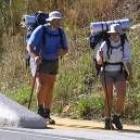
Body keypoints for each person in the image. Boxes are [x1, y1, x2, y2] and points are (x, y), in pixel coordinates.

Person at [27, 11, 68, 124]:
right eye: (55, 20)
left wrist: (62, 52)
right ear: (50, 20)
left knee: (50, 87)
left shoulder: (60, 32)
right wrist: (35, 57)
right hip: (40, 60)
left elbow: (66, 48)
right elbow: (29, 46)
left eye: (59, 20)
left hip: (53, 61)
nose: (58, 22)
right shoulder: (41, 29)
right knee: (42, 85)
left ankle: (47, 113)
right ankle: (40, 112)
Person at [96, 24, 132, 130]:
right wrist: (100, 58)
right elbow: (99, 59)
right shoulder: (105, 44)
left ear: (119, 34)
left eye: (116, 33)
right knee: (109, 96)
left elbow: (127, 59)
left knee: (122, 94)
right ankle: (107, 120)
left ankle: (116, 117)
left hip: (119, 71)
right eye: (112, 33)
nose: (113, 35)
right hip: (107, 72)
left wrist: (130, 73)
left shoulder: (124, 43)